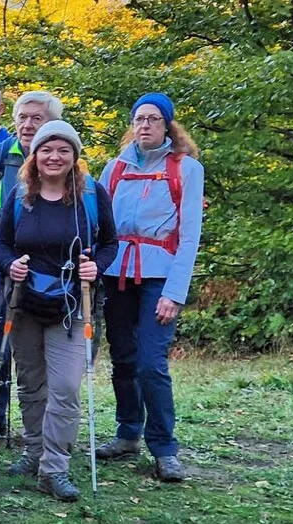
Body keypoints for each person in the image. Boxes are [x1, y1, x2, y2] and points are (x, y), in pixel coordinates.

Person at [0, 121, 118, 501]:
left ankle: (54, 468)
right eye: (47, 149)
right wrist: (9, 265)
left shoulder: (92, 196)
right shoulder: (19, 196)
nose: (54, 156)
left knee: (64, 388)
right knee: (31, 385)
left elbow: (110, 243)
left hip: (72, 306)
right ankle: (34, 450)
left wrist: (98, 266)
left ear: (75, 157)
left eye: (63, 150)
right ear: (35, 155)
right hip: (26, 303)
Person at [96, 93, 204, 483]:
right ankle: (127, 433)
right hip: (117, 272)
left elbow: (189, 236)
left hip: (160, 274)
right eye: (139, 118)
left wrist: (175, 293)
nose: (145, 125)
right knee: (123, 358)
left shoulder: (187, 169)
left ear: (167, 125)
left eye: (153, 119)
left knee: (150, 363)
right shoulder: (115, 167)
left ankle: (164, 447)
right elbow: (100, 223)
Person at [0, 91, 63, 440]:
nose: (27, 125)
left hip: (46, 268)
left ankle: (39, 428)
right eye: (22, 117)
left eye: (36, 118)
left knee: (35, 345)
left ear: (51, 122)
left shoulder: (62, 157)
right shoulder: (2, 155)